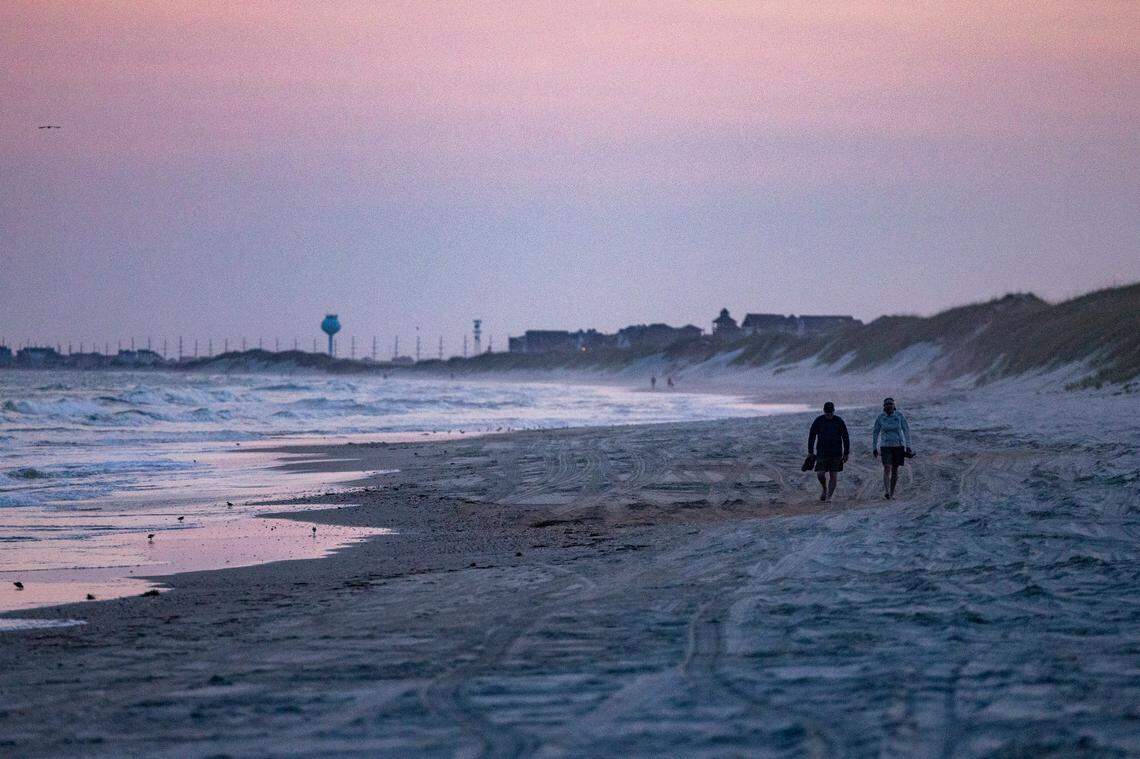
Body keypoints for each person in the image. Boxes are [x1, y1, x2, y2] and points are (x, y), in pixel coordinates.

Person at [808, 401, 850, 501]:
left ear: (833, 411)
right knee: (820, 474)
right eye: (827, 412)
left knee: (833, 475)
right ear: (824, 411)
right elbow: (812, 436)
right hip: (822, 452)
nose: (829, 414)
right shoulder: (819, 420)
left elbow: (845, 437)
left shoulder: (839, 421)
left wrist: (846, 452)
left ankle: (829, 496)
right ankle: (824, 488)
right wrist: (810, 451)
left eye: (830, 412)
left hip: (836, 453)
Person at [872, 397, 912, 499]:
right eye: (886, 404)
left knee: (895, 469)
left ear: (894, 406)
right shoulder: (880, 417)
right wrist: (874, 447)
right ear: (884, 407)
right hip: (885, 446)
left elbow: (906, 430)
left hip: (898, 446)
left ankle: (892, 493)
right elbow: (875, 432)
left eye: (890, 404)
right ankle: (887, 491)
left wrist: (908, 446)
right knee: (887, 467)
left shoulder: (899, 416)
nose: (889, 406)